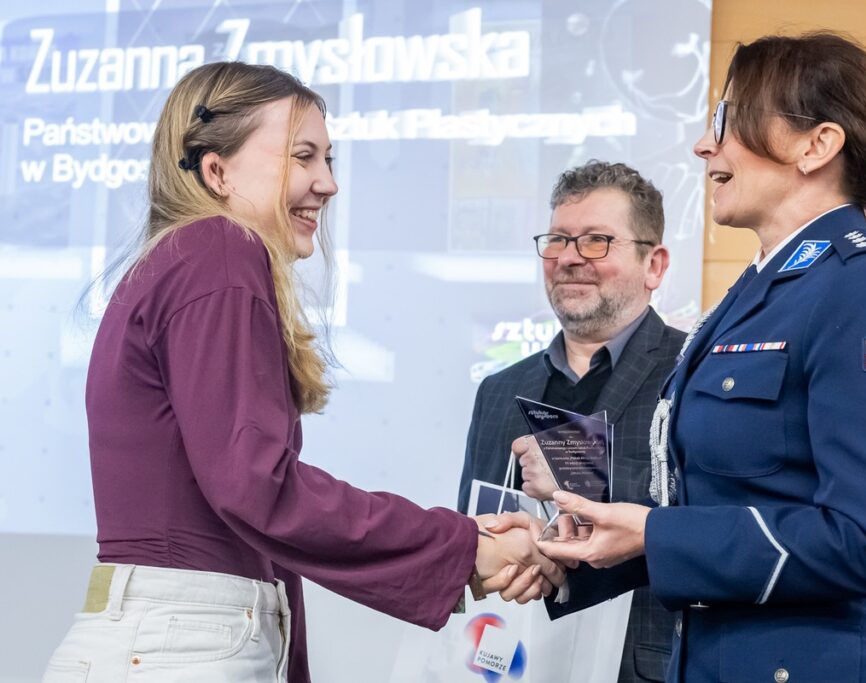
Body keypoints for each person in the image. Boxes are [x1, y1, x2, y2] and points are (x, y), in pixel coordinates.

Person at [42, 62, 560, 683]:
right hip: (179, 646)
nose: (328, 184)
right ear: (217, 171)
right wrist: (462, 545)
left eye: (329, 160)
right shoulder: (220, 252)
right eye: (303, 157)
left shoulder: (179, 261)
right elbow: (258, 485)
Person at [492, 31, 866, 682]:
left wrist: (655, 535)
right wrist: (574, 554)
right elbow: (726, 504)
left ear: (816, 144)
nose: (703, 144)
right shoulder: (759, 294)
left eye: (727, 119)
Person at [458, 161, 684, 682]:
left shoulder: (695, 374)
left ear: (655, 265)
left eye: (597, 241)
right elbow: (475, 526)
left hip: (643, 667)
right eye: (558, 239)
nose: (570, 258)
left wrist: (576, 468)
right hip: (510, 661)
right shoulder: (498, 391)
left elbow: (711, 521)